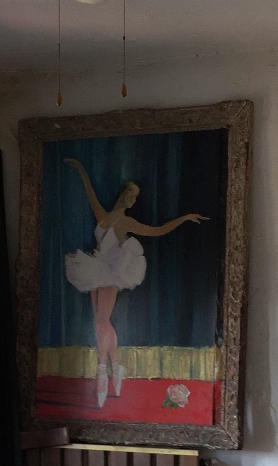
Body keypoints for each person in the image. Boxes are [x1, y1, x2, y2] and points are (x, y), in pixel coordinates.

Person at [62, 157, 206, 407]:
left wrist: (183, 218)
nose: (132, 198)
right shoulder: (102, 215)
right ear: (122, 192)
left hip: (111, 272)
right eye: (130, 193)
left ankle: (102, 371)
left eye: (135, 196)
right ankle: (116, 366)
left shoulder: (127, 222)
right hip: (96, 267)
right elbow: (90, 193)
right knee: (99, 320)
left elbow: (158, 230)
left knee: (102, 320)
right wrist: (82, 169)